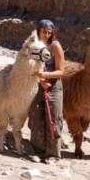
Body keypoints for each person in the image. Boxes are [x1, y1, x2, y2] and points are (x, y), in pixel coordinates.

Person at [32, 19, 66, 161]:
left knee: (54, 119)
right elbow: (31, 67)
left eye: (49, 32)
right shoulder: (34, 46)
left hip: (54, 86)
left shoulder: (55, 47)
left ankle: (53, 154)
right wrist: (40, 80)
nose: (46, 35)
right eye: (43, 32)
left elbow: (61, 71)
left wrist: (46, 76)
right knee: (37, 118)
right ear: (38, 31)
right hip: (37, 85)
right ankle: (39, 150)